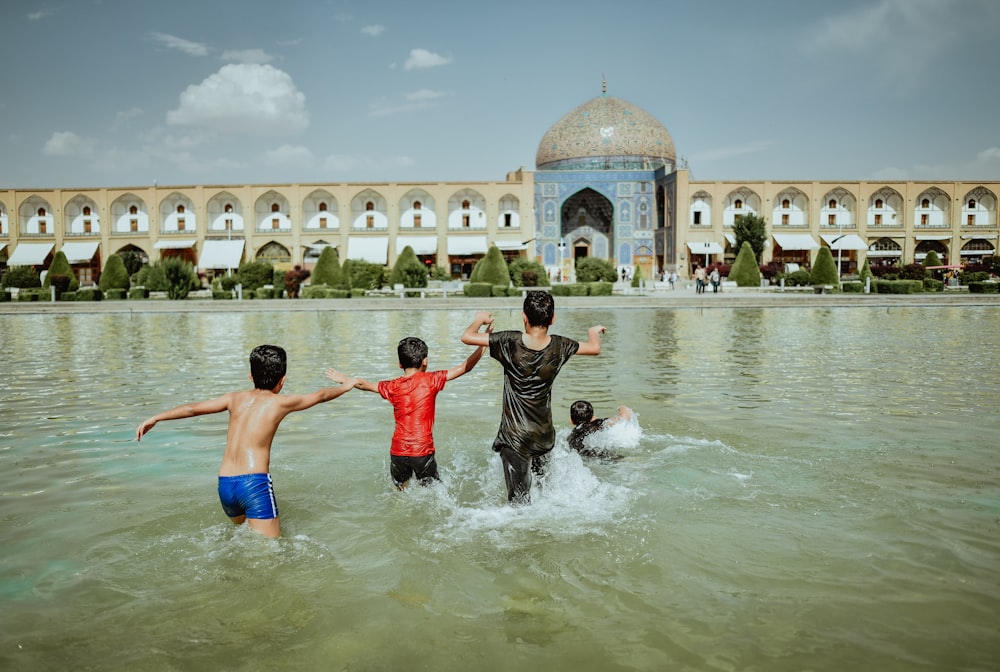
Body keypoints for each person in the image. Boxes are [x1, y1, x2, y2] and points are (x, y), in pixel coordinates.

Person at [135, 344, 359, 538]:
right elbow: (320, 396)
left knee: (242, 538)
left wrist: (156, 417)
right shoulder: (281, 402)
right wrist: (345, 386)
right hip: (254, 483)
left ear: (251, 376)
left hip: (225, 485)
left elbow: (193, 408)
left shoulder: (234, 399)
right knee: (268, 551)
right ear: (282, 381)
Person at [461, 292, 606, 504]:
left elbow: (467, 337)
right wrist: (592, 332)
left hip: (515, 437)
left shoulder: (508, 341)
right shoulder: (560, 345)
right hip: (543, 435)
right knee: (544, 493)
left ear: (524, 317)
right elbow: (594, 348)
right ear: (552, 318)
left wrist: (479, 319)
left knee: (519, 503)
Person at [324, 334, 488, 489]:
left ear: (400, 364)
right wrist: (483, 343)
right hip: (421, 451)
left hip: (398, 451)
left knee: (401, 492)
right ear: (425, 361)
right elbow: (465, 367)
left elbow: (362, 384)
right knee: (432, 492)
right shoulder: (432, 380)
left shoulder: (393, 386)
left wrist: (345, 379)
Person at [567, 401, 634, 459]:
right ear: (593, 418)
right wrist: (622, 407)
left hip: (581, 454)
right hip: (597, 453)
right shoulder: (596, 424)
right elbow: (624, 418)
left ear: (571, 421)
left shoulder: (570, 437)